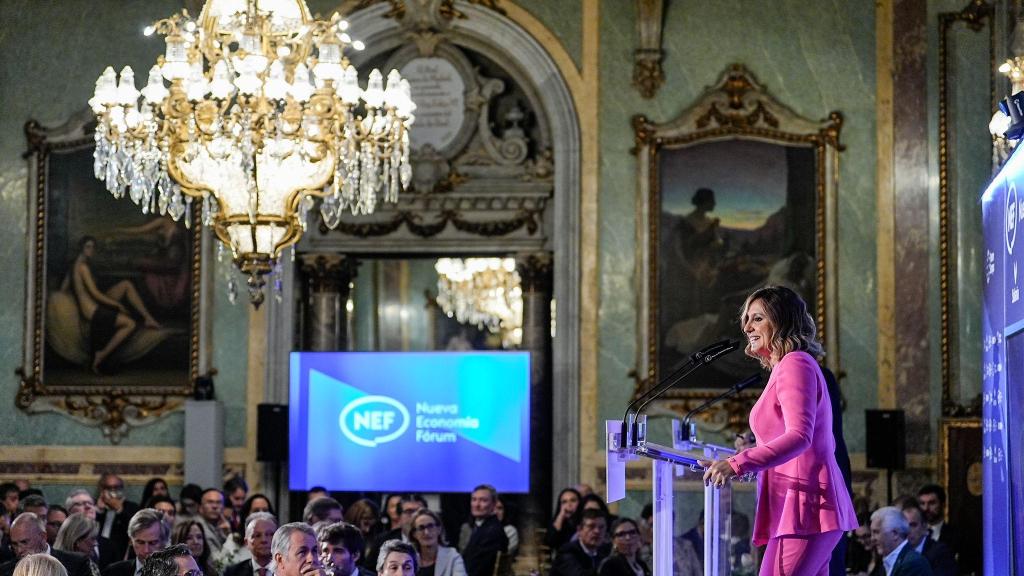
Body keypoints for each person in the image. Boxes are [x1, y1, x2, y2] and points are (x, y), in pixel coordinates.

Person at [698, 285, 858, 576]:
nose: (747, 326)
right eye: (746, 318)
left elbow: (800, 436)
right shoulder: (787, 367)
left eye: (757, 318)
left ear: (782, 321)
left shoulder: (795, 363)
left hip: (805, 508)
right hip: (798, 506)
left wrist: (737, 464)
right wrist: (742, 458)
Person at [62, 236, 162, 373]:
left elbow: (64, 288)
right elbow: (95, 293)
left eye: (93, 247)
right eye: (88, 247)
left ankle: (148, 318)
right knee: (130, 324)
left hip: (93, 304)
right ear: (81, 248)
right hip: (92, 310)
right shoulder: (83, 267)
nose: (92, 250)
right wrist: (117, 305)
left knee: (126, 285)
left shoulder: (75, 264)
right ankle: (101, 355)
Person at [0, 514, 90, 576]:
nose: (19, 550)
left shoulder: (77, 563)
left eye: (24, 542)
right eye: (14, 544)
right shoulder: (5, 571)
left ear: (43, 537)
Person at [101, 509, 170, 576]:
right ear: (131, 541)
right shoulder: (112, 572)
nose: (146, 550)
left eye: (152, 543)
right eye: (140, 542)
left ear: (164, 542)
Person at [456, 486, 506, 576]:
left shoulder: (492, 532)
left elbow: (475, 568)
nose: (477, 505)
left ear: (494, 504)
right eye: (474, 500)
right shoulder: (481, 527)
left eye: (483, 500)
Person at [868, 507, 931, 576]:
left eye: (876, 532)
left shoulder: (913, 563)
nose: (872, 538)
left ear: (895, 534)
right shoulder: (885, 563)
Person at [900, 505, 955, 576]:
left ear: (924, 527)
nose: (908, 530)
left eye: (913, 525)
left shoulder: (940, 553)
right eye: (904, 526)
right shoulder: (897, 552)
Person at [550, 510, 609, 576]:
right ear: (579, 530)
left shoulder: (603, 553)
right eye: (591, 526)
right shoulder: (567, 552)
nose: (597, 531)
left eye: (601, 527)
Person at [408, 510, 464, 576]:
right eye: (421, 528)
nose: (427, 532)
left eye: (430, 526)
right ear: (414, 534)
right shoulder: (408, 559)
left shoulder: (452, 556)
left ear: (439, 529)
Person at [545, 489, 581, 554]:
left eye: (573, 500)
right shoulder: (557, 522)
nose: (569, 504)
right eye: (564, 502)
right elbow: (550, 541)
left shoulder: (584, 522)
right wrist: (561, 515)